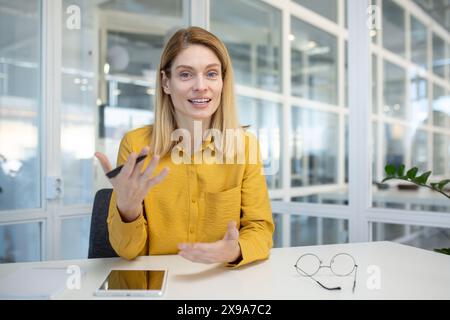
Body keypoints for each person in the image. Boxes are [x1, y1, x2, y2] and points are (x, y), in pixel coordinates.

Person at [95, 26, 274, 268]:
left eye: (211, 74)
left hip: (222, 280)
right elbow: (127, 251)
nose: (201, 86)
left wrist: (235, 250)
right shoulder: (136, 145)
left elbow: (260, 229)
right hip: (160, 283)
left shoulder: (245, 145)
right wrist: (128, 209)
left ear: (223, 81)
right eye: (186, 74)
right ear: (166, 83)